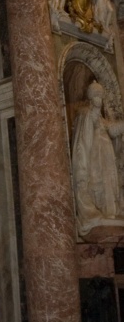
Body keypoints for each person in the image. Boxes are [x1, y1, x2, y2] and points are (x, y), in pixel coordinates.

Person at [71, 81, 124, 236]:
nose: (99, 100)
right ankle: (98, 210)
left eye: (100, 96)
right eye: (96, 96)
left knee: (110, 182)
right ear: (91, 97)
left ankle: (110, 212)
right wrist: (93, 110)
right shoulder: (86, 113)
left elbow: (113, 129)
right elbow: (86, 131)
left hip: (107, 157)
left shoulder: (101, 119)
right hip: (95, 157)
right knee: (98, 182)